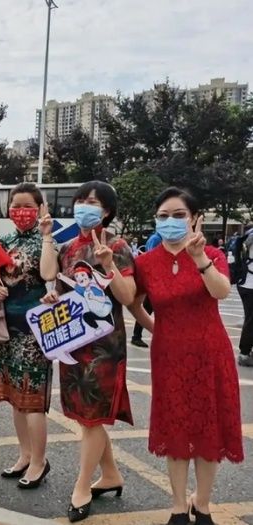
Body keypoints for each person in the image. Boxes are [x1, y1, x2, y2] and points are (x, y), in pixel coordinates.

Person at [129, 187, 243, 525]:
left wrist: (199, 259)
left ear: (195, 219)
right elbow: (133, 302)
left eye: (179, 215)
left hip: (211, 353)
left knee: (209, 429)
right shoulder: (145, 263)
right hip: (169, 356)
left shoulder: (212, 254)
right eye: (163, 216)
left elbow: (221, 291)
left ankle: (202, 504)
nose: (170, 221)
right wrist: (157, 329)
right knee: (176, 428)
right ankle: (179, 506)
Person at [40, 181, 135, 523]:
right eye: (80, 200)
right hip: (73, 342)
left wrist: (109, 265)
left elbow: (127, 295)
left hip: (104, 347)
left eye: (92, 202)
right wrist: (53, 295)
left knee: (93, 416)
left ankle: (82, 487)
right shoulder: (68, 247)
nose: (83, 206)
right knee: (85, 417)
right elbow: (51, 278)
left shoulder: (117, 246)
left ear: (106, 211)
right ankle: (110, 475)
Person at [0, 183, 55, 489]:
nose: (20, 211)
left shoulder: (48, 241)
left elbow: (48, 275)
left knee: (32, 400)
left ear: (40, 208)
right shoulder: (2, 242)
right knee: (16, 399)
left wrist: (47, 236)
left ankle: (40, 462)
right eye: (15, 205)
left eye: (27, 205)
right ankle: (25, 455)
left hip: (36, 330)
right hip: (8, 328)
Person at [131, 232, 162, 348]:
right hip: (155, 280)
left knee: (149, 308)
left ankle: (137, 336)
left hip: (156, 279)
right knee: (148, 308)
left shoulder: (159, 238)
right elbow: (152, 257)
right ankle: (136, 336)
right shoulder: (156, 239)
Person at [236, 223, 253, 367]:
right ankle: (244, 353)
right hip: (250, 284)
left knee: (250, 318)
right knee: (251, 319)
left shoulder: (248, 236)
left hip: (245, 282)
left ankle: (246, 352)